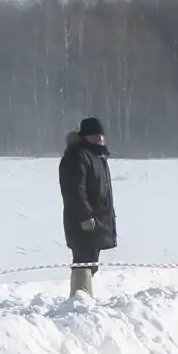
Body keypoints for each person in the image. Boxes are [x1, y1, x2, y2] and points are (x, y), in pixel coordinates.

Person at [58, 116, 115, 297]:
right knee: (83, 261)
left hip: (97, 220)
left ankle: (83, 298)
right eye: (94, 135)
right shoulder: (77, 156)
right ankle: (79, 300)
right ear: (85, 137)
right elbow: (75, 191)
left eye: (100, 135)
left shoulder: (98, 157)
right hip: (83, 222)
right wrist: (85, 216)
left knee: (91, 263)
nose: (99, 138)